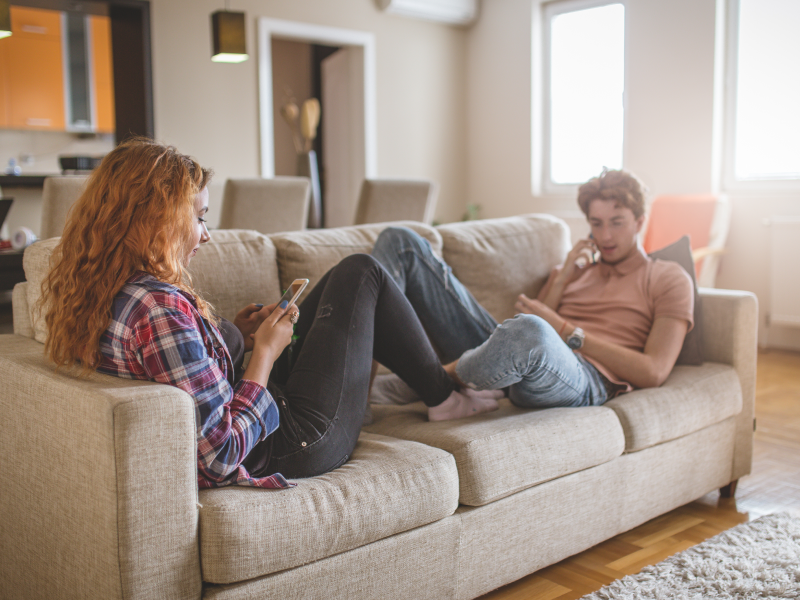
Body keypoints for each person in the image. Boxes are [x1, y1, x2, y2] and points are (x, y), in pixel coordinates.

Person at [40, 138, 499, 490]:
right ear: (156, 219)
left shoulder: (107, 288)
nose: (205, 235)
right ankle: (443, 397)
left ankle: (437, 391)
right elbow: (218, 454)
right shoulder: (159, 309)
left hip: (267, 414)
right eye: (198, 217)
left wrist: (231, 336)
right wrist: (262, 354)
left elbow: (184, 376)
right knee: (365, 274)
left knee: (354, 275)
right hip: (290, 444)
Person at [371, 168, 694, 409]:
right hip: (517, 358)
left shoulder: (668, 278)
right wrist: (564, 276)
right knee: (400, 241)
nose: (605, 236)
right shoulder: (574, 270)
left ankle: (428, 380)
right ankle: (364, 392)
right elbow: (520, 327)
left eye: (617, 222)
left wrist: (567, 331)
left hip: (585, 376)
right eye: (596, 223)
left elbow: (654, 371)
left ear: (640, 221)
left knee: (530, 333)